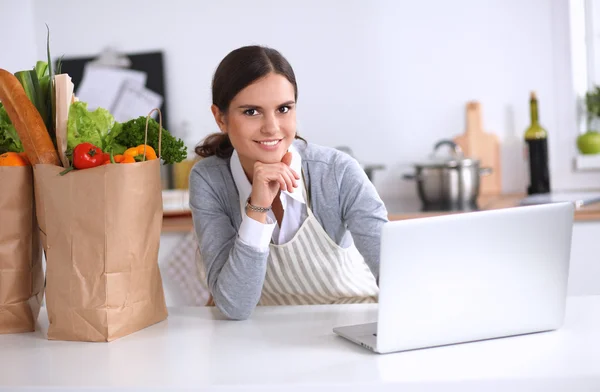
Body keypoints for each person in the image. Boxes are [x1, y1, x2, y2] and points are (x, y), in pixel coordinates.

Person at [189, 45, 388, 320]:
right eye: (251, 112)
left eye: (283, 109)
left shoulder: (337, 172)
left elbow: (395, 272)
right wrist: (257, 208)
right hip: (263, 334)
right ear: (220, 118)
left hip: (352, 319)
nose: (272, 127)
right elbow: (234, 306)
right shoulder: (209, 181)